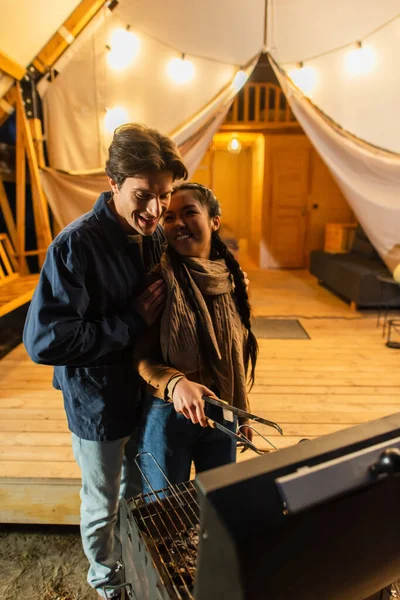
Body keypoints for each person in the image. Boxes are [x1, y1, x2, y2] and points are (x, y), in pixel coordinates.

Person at [23, 123, 188, 600]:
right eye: (142, 195)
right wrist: (131, 322)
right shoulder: (75, 245)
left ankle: (136, 568)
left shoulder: (153, 235)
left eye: (164, 195)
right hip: (96, 399)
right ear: (112, 182)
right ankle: (107, 584)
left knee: (136, 490)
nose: (155, 209)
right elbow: (45, 342)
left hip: (145, 390)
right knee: (102, 500)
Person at [135, 183, 258, 493]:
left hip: (221, 410)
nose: (178, 224)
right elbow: (140, 359)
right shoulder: (158, 280)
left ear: (214, 221)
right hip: (169, 414)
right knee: (166, 513)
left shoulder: (228, 278)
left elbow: (236, 353)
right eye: (170, 217)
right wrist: (176, 383)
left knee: (217, 506)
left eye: (189, 213)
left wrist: (242, 411)